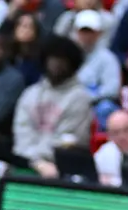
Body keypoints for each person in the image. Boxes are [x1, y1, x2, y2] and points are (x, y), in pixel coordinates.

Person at [12, 35, 92, 167]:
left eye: (62, 59)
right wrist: (32, 160)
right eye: (52, 58)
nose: (56, 63)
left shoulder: (80, 98)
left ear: (72, 63)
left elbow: (68, 140)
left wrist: (37, 159)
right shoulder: (30, 93)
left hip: (59, 166)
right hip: (24, 161)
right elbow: (21, 131)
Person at [73, 10, 122, 121]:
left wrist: (88, 97)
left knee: (106, 108)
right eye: (83, 31)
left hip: (96, 103)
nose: (86, 36)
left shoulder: (107, 58)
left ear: (98, 33)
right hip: (73, 103)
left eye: (90, 31)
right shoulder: (68, 56)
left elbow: (112, 89)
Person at [6, 11, 43, 85]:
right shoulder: (6, 54)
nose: (24, 30)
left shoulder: (39, 58)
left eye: (29, 26)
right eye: (21, 25)